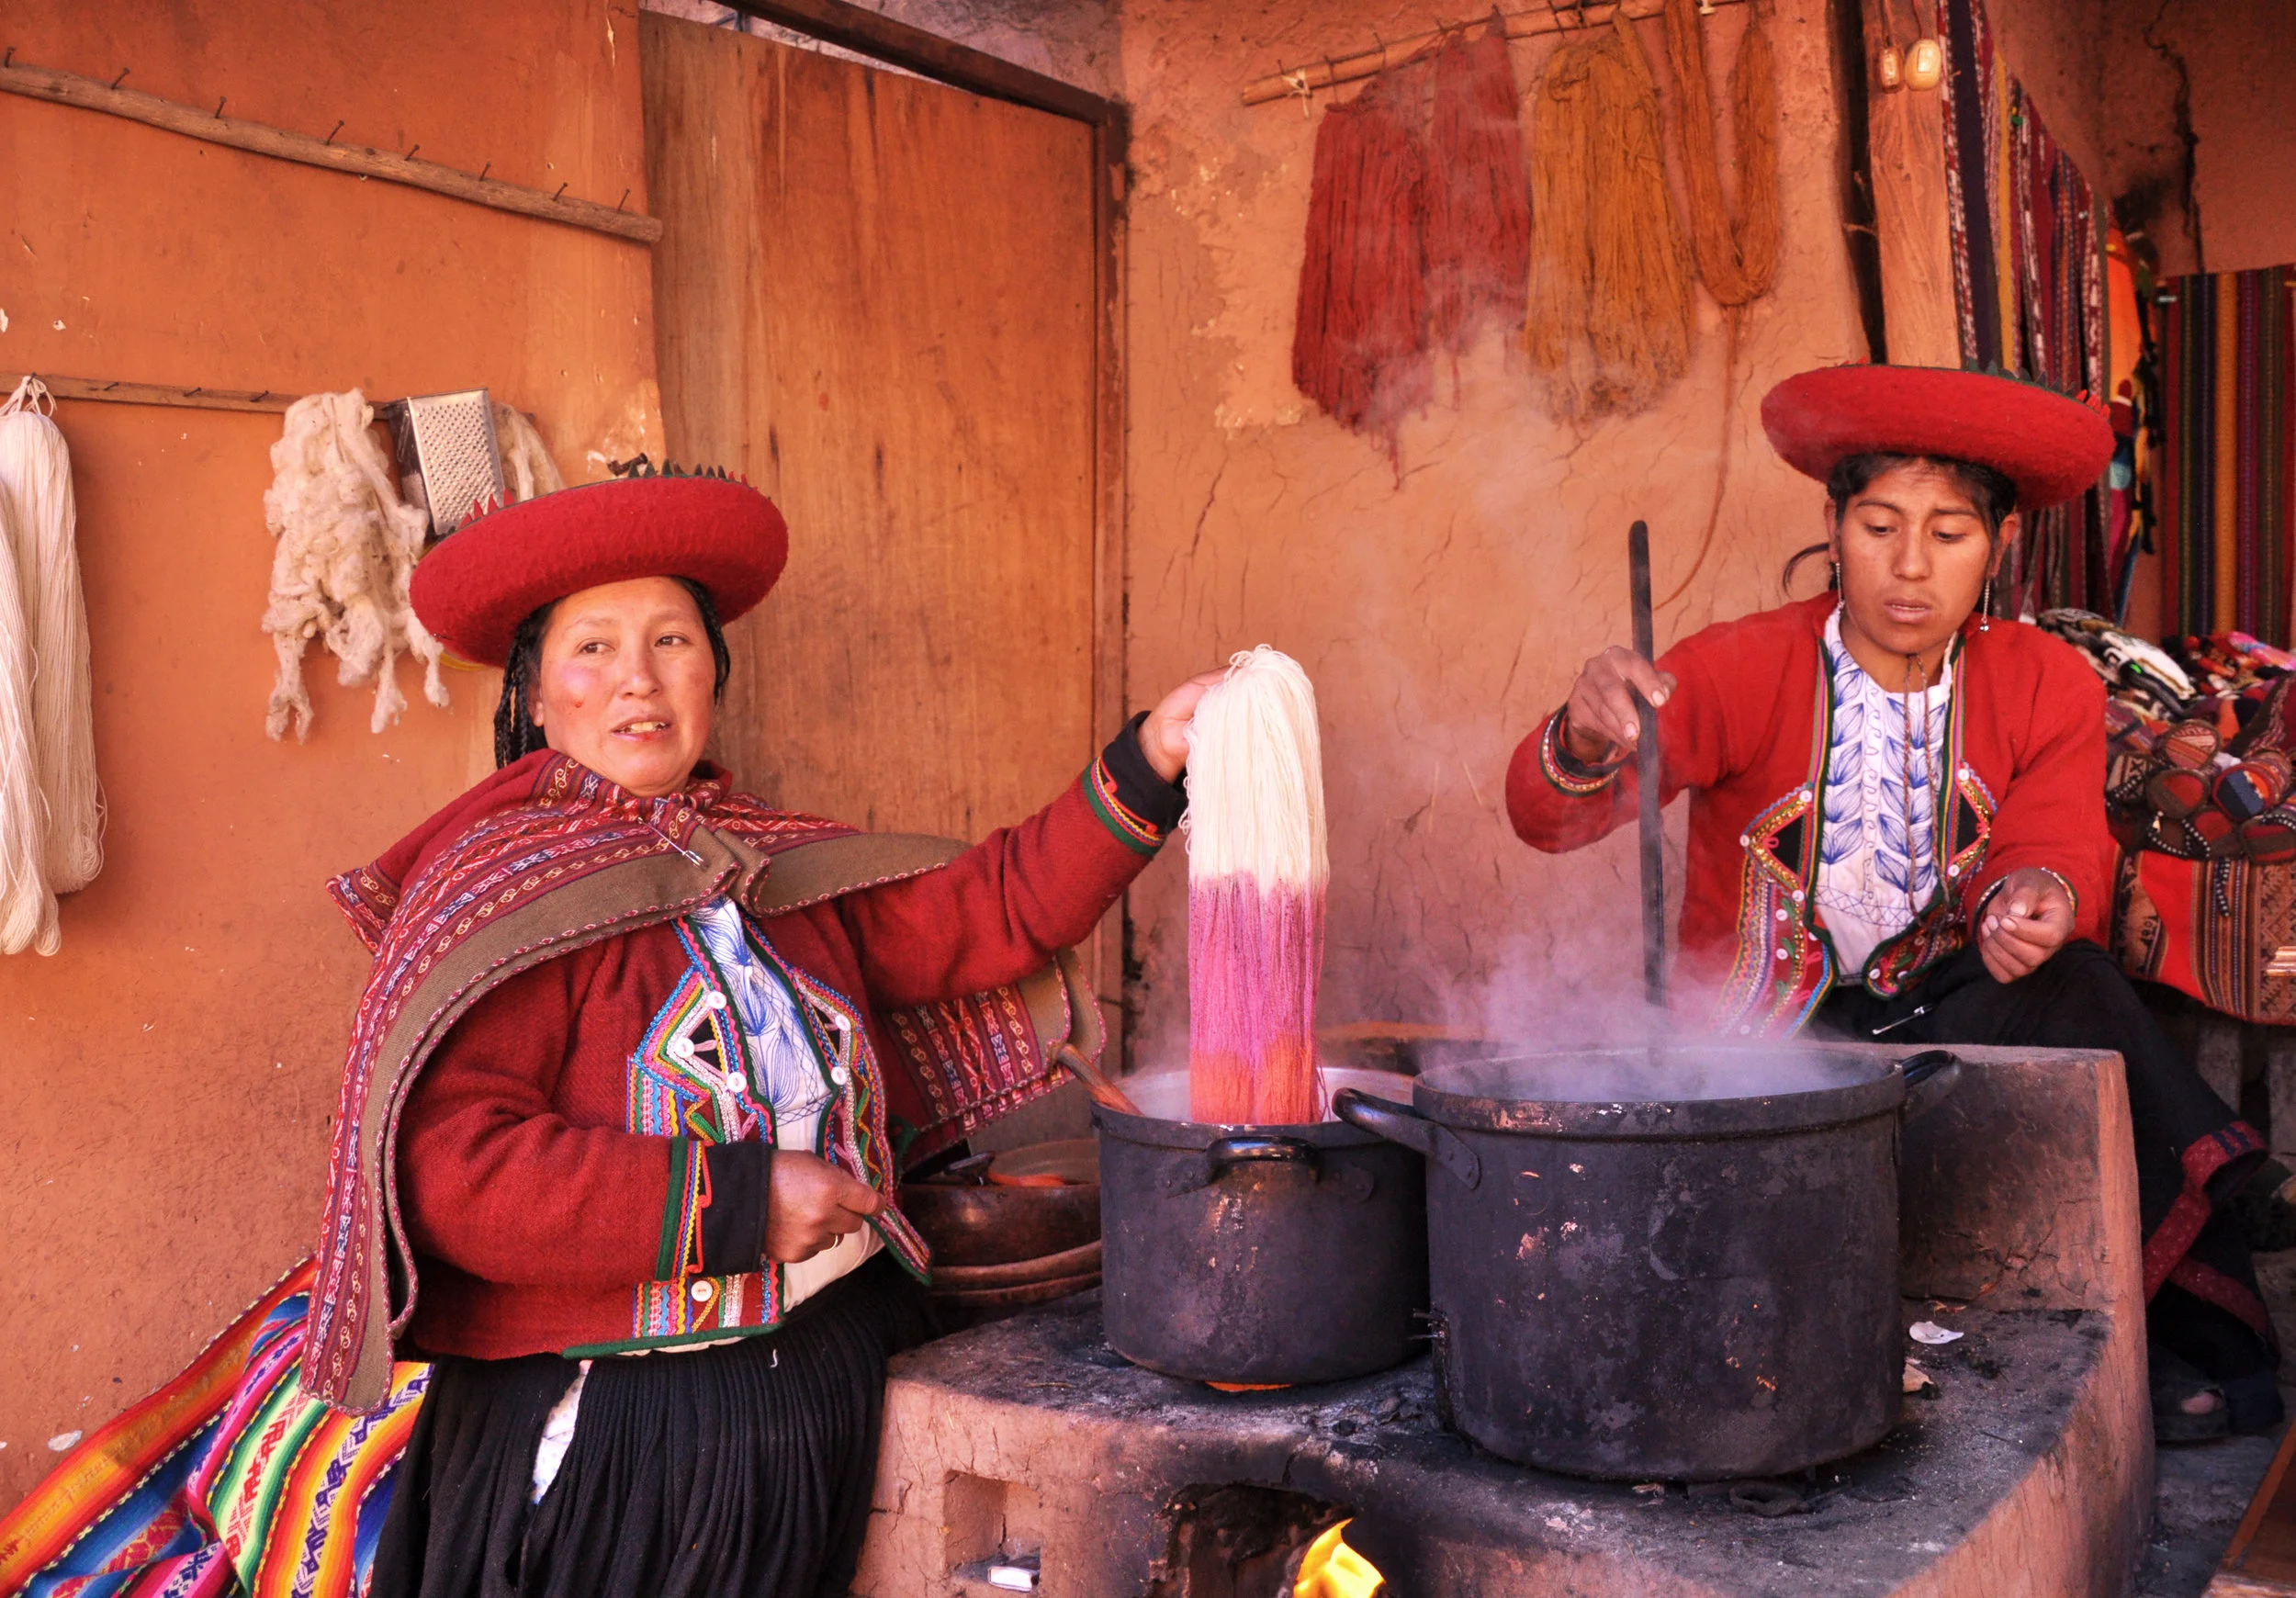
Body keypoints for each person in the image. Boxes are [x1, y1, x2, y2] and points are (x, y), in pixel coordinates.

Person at [301, 464, 1220, 1596]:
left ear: (714, 675)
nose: (638, 680)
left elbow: (989, 913)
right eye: (592, 647)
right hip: (627, 1437)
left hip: (818, 1380)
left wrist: (1151, 758)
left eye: (673, 642)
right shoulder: (503, 902)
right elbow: (456, 1176)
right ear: (535, 696)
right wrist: (736, 1201)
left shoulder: (762, 867)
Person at [1506, 363, 2291, 1443]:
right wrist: (1588, 732)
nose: (1910, 566)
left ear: (1998, 547)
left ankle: (2161, 1339)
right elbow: (1551, 818)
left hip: (1941, 1008)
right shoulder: (1735, 666)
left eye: (1950, 533)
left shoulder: (2044, 681)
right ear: (1832, 527)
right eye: (1878, 525)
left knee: (2084, 992)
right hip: (1764, 1032)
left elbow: (2050, 841)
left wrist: (2034, 898)